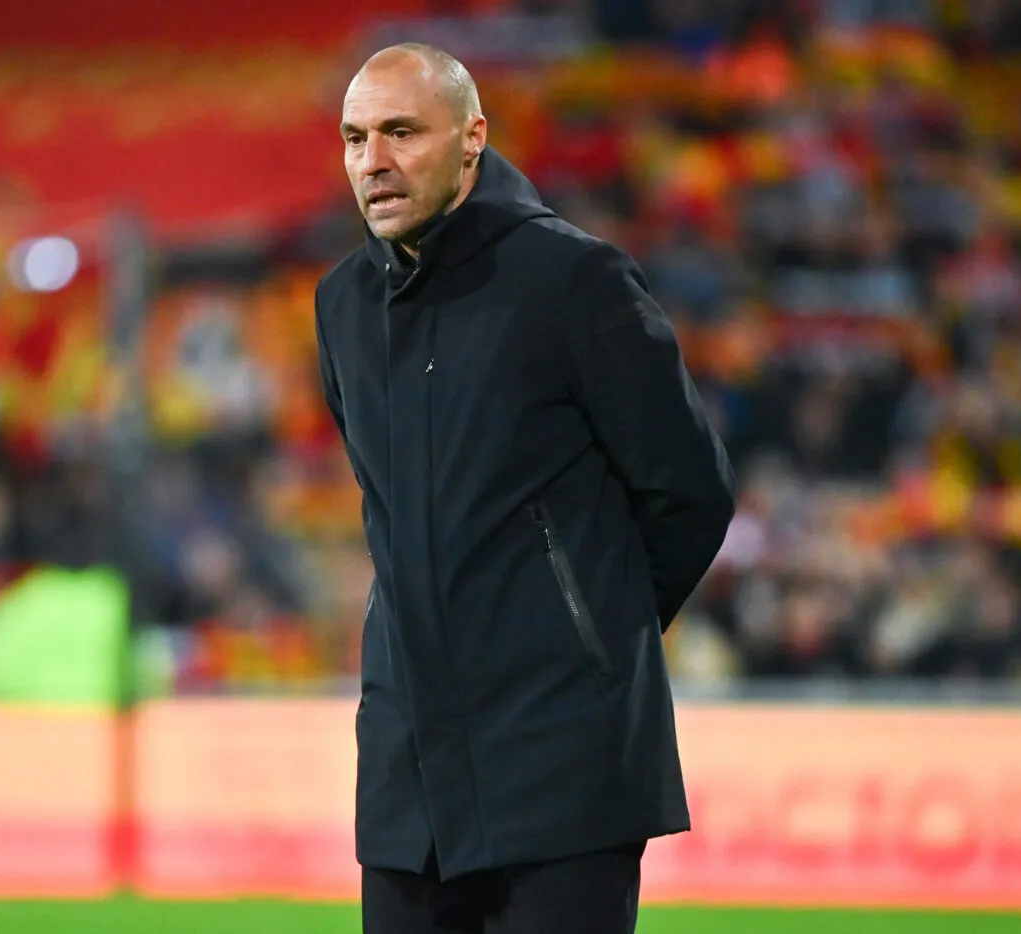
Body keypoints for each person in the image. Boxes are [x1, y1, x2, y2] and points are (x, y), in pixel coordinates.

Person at [315, 44, 736, 933]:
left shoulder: (574, 281)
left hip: (560, 759)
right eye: (355, 139)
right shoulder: (342, 304)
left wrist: (578, 635)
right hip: (409, 766)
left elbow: (689, 493)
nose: (372, 162)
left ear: (473, 140)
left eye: (400, 132)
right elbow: (387, 512)